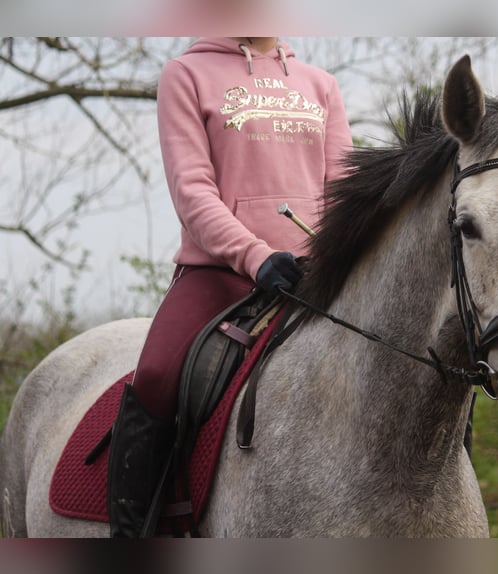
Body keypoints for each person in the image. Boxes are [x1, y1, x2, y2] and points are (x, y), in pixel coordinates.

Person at [107, 37, 352, 538]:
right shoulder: (185, 73)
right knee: (155, 375)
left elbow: (343, 191)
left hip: (315, 275)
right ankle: (132, 535)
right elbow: (192, 191)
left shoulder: (320, 84)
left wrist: (334, 259)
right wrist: (256, 256)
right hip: (221, 272)